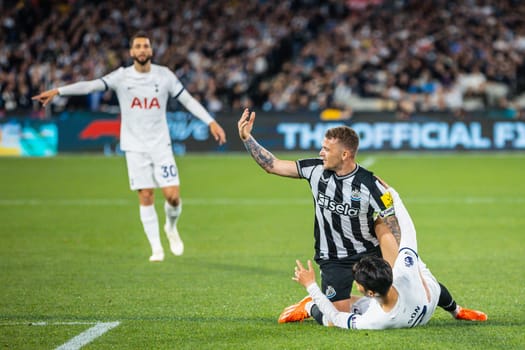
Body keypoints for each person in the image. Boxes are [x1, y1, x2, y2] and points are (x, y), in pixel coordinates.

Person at [237, 108, 486, 323]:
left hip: (368, 252)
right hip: (332, 257)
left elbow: (391, 219)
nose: (321, 152)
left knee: (413, 283)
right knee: (335, 319)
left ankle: (456, 310)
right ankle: (311, 305)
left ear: (344, 154)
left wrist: (401, 258)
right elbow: (273, 165)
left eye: (326, 149)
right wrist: (248, 138)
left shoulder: (369, 184)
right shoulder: (314, 169)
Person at [33, 32, 227, 262]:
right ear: (132, 52)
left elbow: (188, 100)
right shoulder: (121, 77)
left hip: (161, 146)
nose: (142, 49)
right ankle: (156, 248)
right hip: (135, 147)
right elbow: (91, 86)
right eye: (138, 46)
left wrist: (211, 121)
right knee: (146, 196)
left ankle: (171, 228)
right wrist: (58, 91)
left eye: (146, 46)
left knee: (173, 196)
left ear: (151, 51)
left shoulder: (164, 75)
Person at [292, 186, 487, 329]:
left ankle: (308, 305)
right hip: (421, 297)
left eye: (357, 282)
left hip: (396, 304)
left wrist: (310, 285)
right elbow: (408, 228)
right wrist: (393, 194)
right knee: (427, 278)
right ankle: (457, 310)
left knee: (332, 320)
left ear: (369, 292)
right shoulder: (406, 270)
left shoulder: (374, 320)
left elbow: (335, 317)